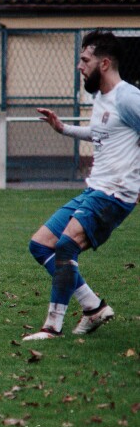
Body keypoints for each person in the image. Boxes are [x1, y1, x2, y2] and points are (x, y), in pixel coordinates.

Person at [23, 30, 140, 340]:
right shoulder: (101, 96)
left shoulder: (128, 97)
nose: (79, 65)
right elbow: (100, 133)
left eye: (84, 59)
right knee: (40, 244)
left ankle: (52, 327)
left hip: (114, 194)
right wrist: (62, 129)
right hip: (95, 190)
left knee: (65, 245)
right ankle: (93, 307)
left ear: (103, 63)